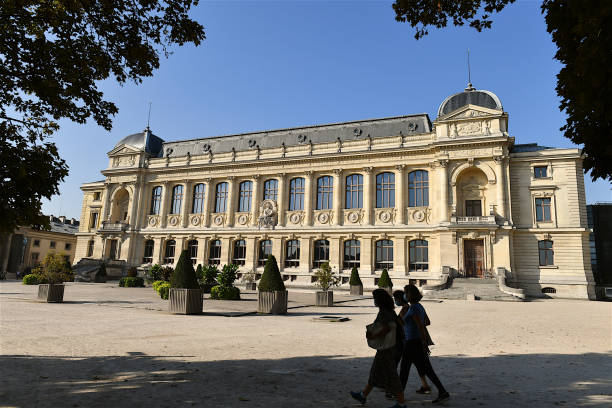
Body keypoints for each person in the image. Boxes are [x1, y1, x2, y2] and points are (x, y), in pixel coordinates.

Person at [350, 289, 407, 408]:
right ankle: (363, 395)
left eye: (375, 299)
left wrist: (372, 335)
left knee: (392, 375)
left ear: (379, 300)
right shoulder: (389, 311)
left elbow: (386, 329)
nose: (374, 301)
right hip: (392, 347)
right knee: (375, 372)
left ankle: (401, 404)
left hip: (388, 349)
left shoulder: (384, 313)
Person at [399, 284, 450, 404]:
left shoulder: (413, 308)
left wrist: (423, 343)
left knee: (404, 370)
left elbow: (421, 325)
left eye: (405, 293)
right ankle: (442, 391)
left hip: (413, 343)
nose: (404, 295)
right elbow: (427, 321)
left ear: (409, 295)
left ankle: (399, 397)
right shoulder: (419, 306)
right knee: (426, 370)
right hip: (415, 342)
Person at [392, 290, 431, 395]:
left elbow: (397, 324)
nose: (395, 301)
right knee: (420, 365)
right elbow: (426, 322)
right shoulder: (414, 307)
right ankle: (425, 385)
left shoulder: (406, 309)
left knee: (401, 366)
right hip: (413, 340)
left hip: (407, 341)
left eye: (395, 299)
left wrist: (411, 326)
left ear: (401, 299)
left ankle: (395, 390)